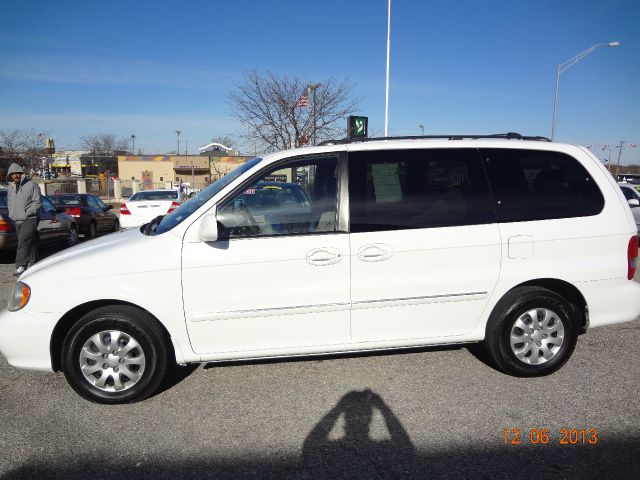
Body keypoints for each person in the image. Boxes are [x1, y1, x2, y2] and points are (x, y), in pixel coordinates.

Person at [7, 163, 42, 276]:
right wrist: (11, 213)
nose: (15, 176)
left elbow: (38, 202)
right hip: (17, 219)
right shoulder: (10, 187)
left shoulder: (31, 185)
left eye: (17, 173)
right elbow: (9, 202)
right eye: (13, 174)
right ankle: (34, 262)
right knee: (29, 242)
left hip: (30, 218)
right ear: (10, 176)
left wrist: (27, 213)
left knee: (23, 242)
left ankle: (21, 266)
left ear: (21, 173)